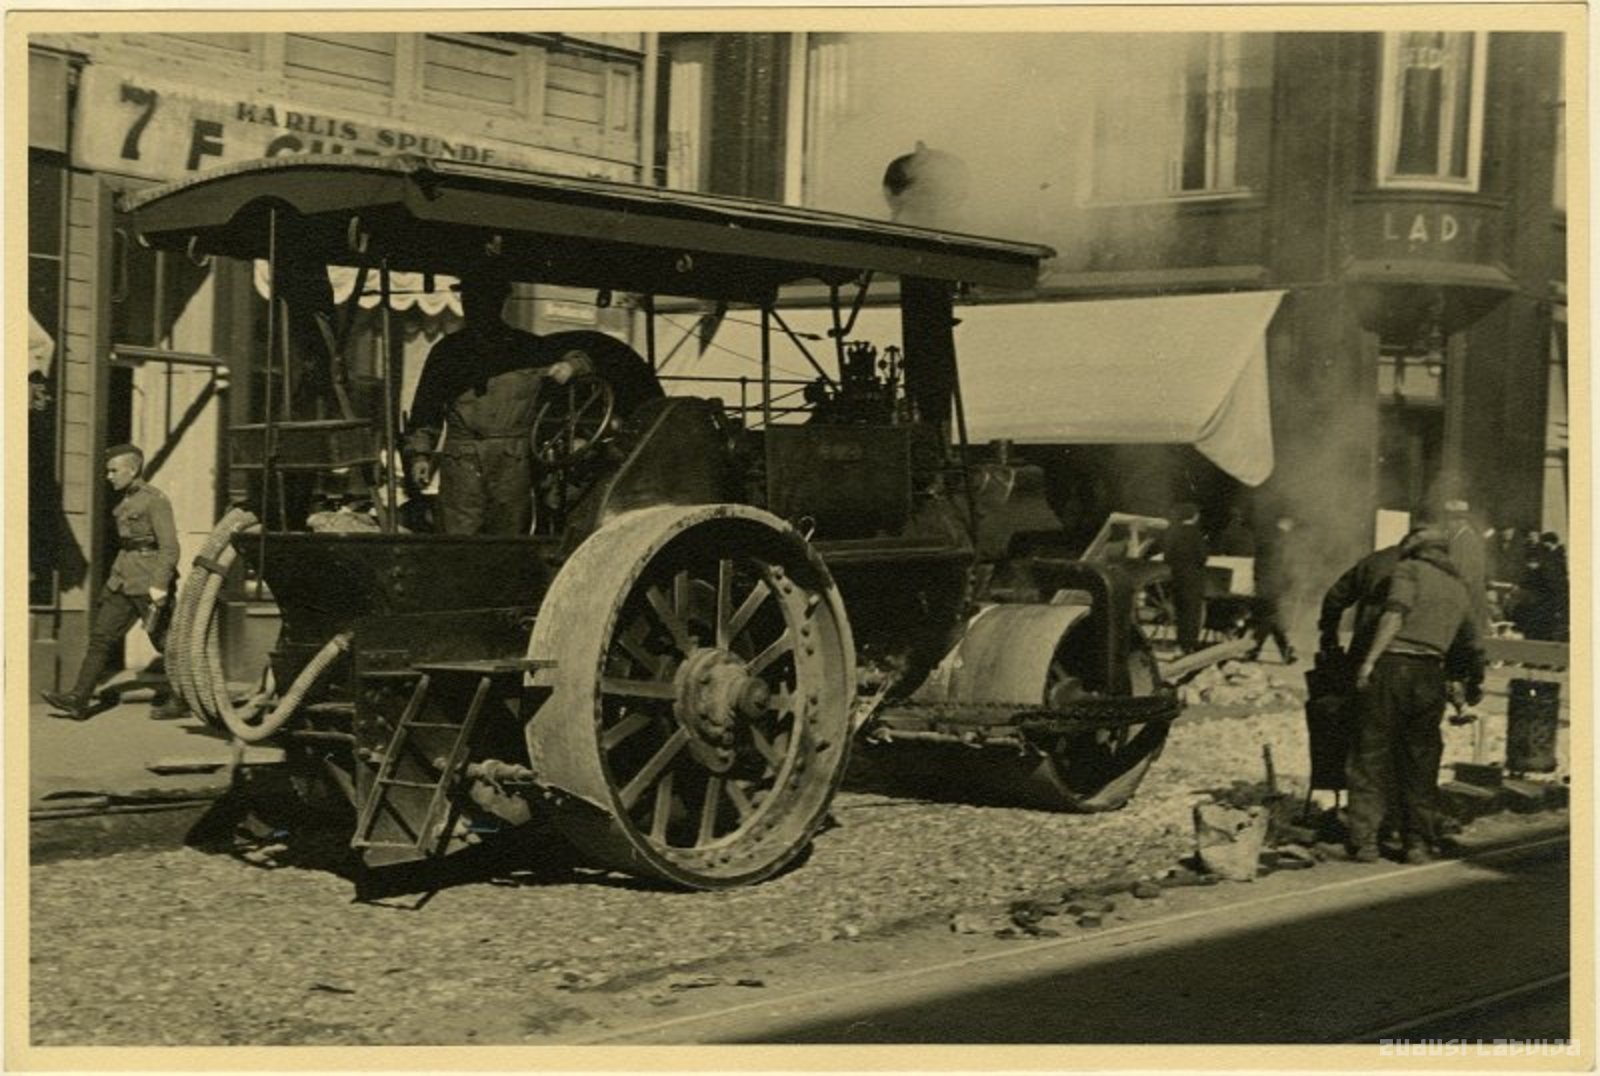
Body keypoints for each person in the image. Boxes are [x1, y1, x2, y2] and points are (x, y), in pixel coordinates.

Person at [404, 265, 589, 536]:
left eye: (484, 300)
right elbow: (426, 409)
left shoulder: (529, 347)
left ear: (499, 302)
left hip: (512, 465)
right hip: (462, 463)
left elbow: (584, 357)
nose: (475, 308)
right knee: (458, 540)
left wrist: (571, 367)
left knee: (509, 540)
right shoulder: (447, 352)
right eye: (469, 299)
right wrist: (420, 455)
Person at [1349, 521, 1484, 864]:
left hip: (1393, 667)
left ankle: (1365, 841)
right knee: (1421, 760)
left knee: (1370, 753)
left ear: (1416, 551)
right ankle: (1417, 844)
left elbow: (1394, 615)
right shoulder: (1459, 587)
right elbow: (1471, 642)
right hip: (1431, 676)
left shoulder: (1409, 570)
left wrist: (1369, 661)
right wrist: (1464, 682)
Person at [41, 444, 180, 721]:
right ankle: (78, 700)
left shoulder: (155, 500)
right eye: (108, 471)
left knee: (166, 643)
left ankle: (183, 698)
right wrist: (114, 579)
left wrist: (160, 584)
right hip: (123, 579)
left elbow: (170, 548)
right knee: (101, 638)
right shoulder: (125, 500)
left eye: (114, 471)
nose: (109, 476)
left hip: (148, 580)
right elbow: (128, 546)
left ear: (133, 469)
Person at [1247, 514, 1299, 664]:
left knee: (1270, 619)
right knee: (1270, 619)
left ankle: (1278, 652)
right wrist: (1290, 582)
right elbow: (1285, 565)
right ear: (1286, 522)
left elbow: (1258, 564)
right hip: (1274, 585)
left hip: (1263, 584)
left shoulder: (1267, 538)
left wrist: (1257, 581)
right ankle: (1255, 650)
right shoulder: (1282, 540)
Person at [1163, 502, 1208, 655]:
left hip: (1177, 577)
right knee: (1193, 612)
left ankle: (1181, 642)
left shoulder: (1173, 534)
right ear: (1195, 516)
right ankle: (1190, 644)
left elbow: (1167, 557)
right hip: (1193, 578)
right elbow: (1202, 557)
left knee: (1181, 611)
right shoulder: (1196, 534)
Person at [1443, 498, 1490, 630]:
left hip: (1469, 600)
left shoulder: (1468, 540)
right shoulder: (1456, 538)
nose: (1447, 524)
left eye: (1450, 520)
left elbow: (1465, 574)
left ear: (1461, 521)